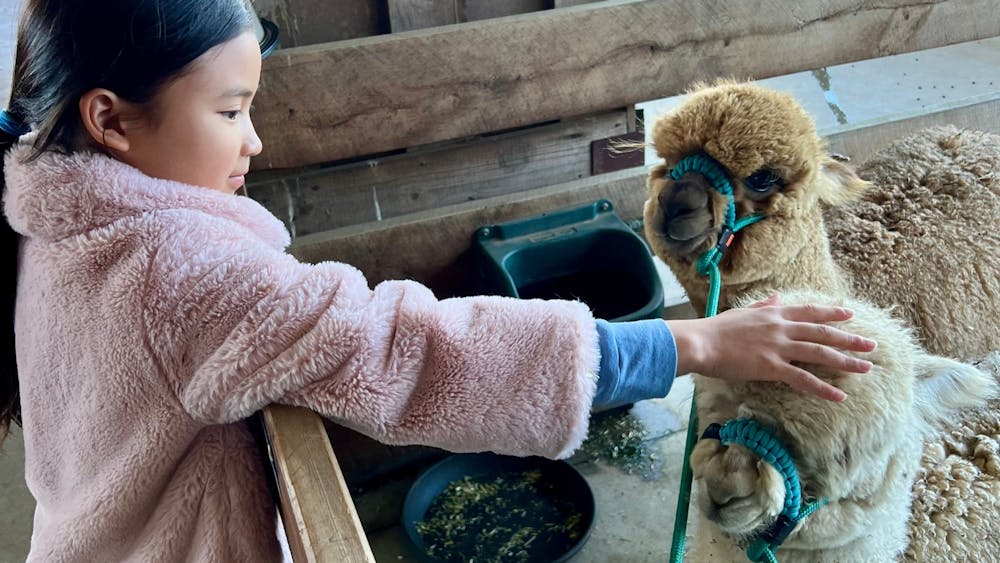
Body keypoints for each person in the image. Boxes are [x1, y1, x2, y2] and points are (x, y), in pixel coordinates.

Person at [0, 0, 876, 560]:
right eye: (232, 111)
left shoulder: (61, 228)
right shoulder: (177, 274)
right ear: (109, 121)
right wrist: (696, 341)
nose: (254, 141)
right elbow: (408, 351)